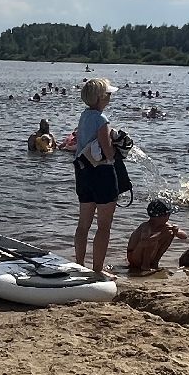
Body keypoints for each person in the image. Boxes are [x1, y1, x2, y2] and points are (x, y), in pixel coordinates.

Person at [72, 78, 119, 276]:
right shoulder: (102, 119)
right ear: (101, 98)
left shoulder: (84, 116)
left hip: (83, 172)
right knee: (103, 226)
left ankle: (79, 263)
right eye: (108, 94)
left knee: (83, 224)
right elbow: (108, 152)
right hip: (102, 173)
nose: (110, 97)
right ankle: (97, 269)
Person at [126, 199, 187, 274]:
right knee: (152, 239)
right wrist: (160, 235)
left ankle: (155, 263)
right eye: (168, 215)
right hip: (135, 258)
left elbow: (184, 236)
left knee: (170, 233)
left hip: (150, 256)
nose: (168, 217)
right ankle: (145, 266)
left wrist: (176, 231)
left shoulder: (166, 226)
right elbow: (144, 242)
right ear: (160, 217)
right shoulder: (146, 227)